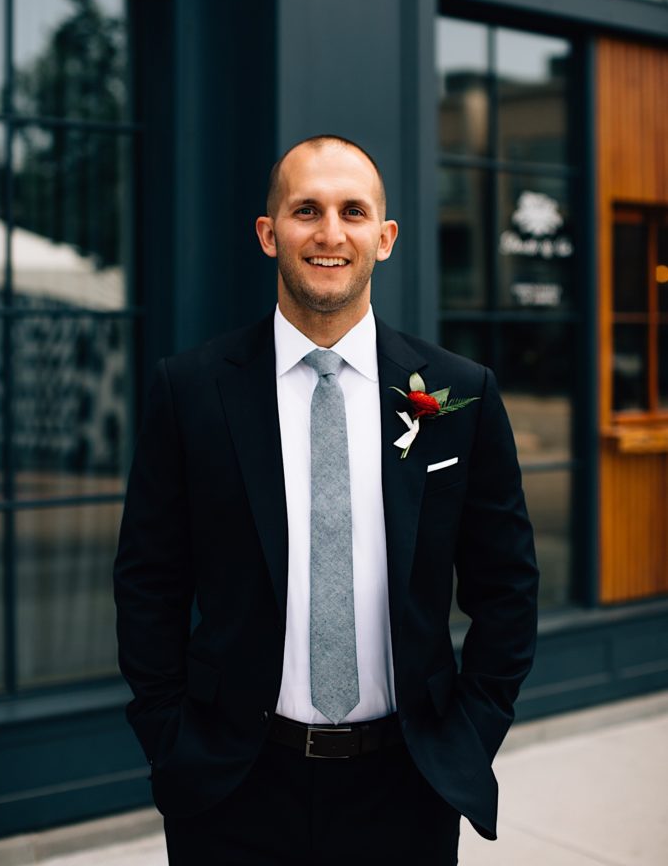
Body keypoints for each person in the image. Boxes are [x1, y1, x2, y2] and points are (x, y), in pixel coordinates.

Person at [114, 135, 539, 865]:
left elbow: (507, 586)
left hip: (406, 785)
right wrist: (169, 736)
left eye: (352, 211)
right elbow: (148, 581)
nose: (330, 233)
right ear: (268, 231)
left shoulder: (457, 393)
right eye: (306, 209)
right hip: (232, 785)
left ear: (385, 236)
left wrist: (470, 731)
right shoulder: (190, 390)